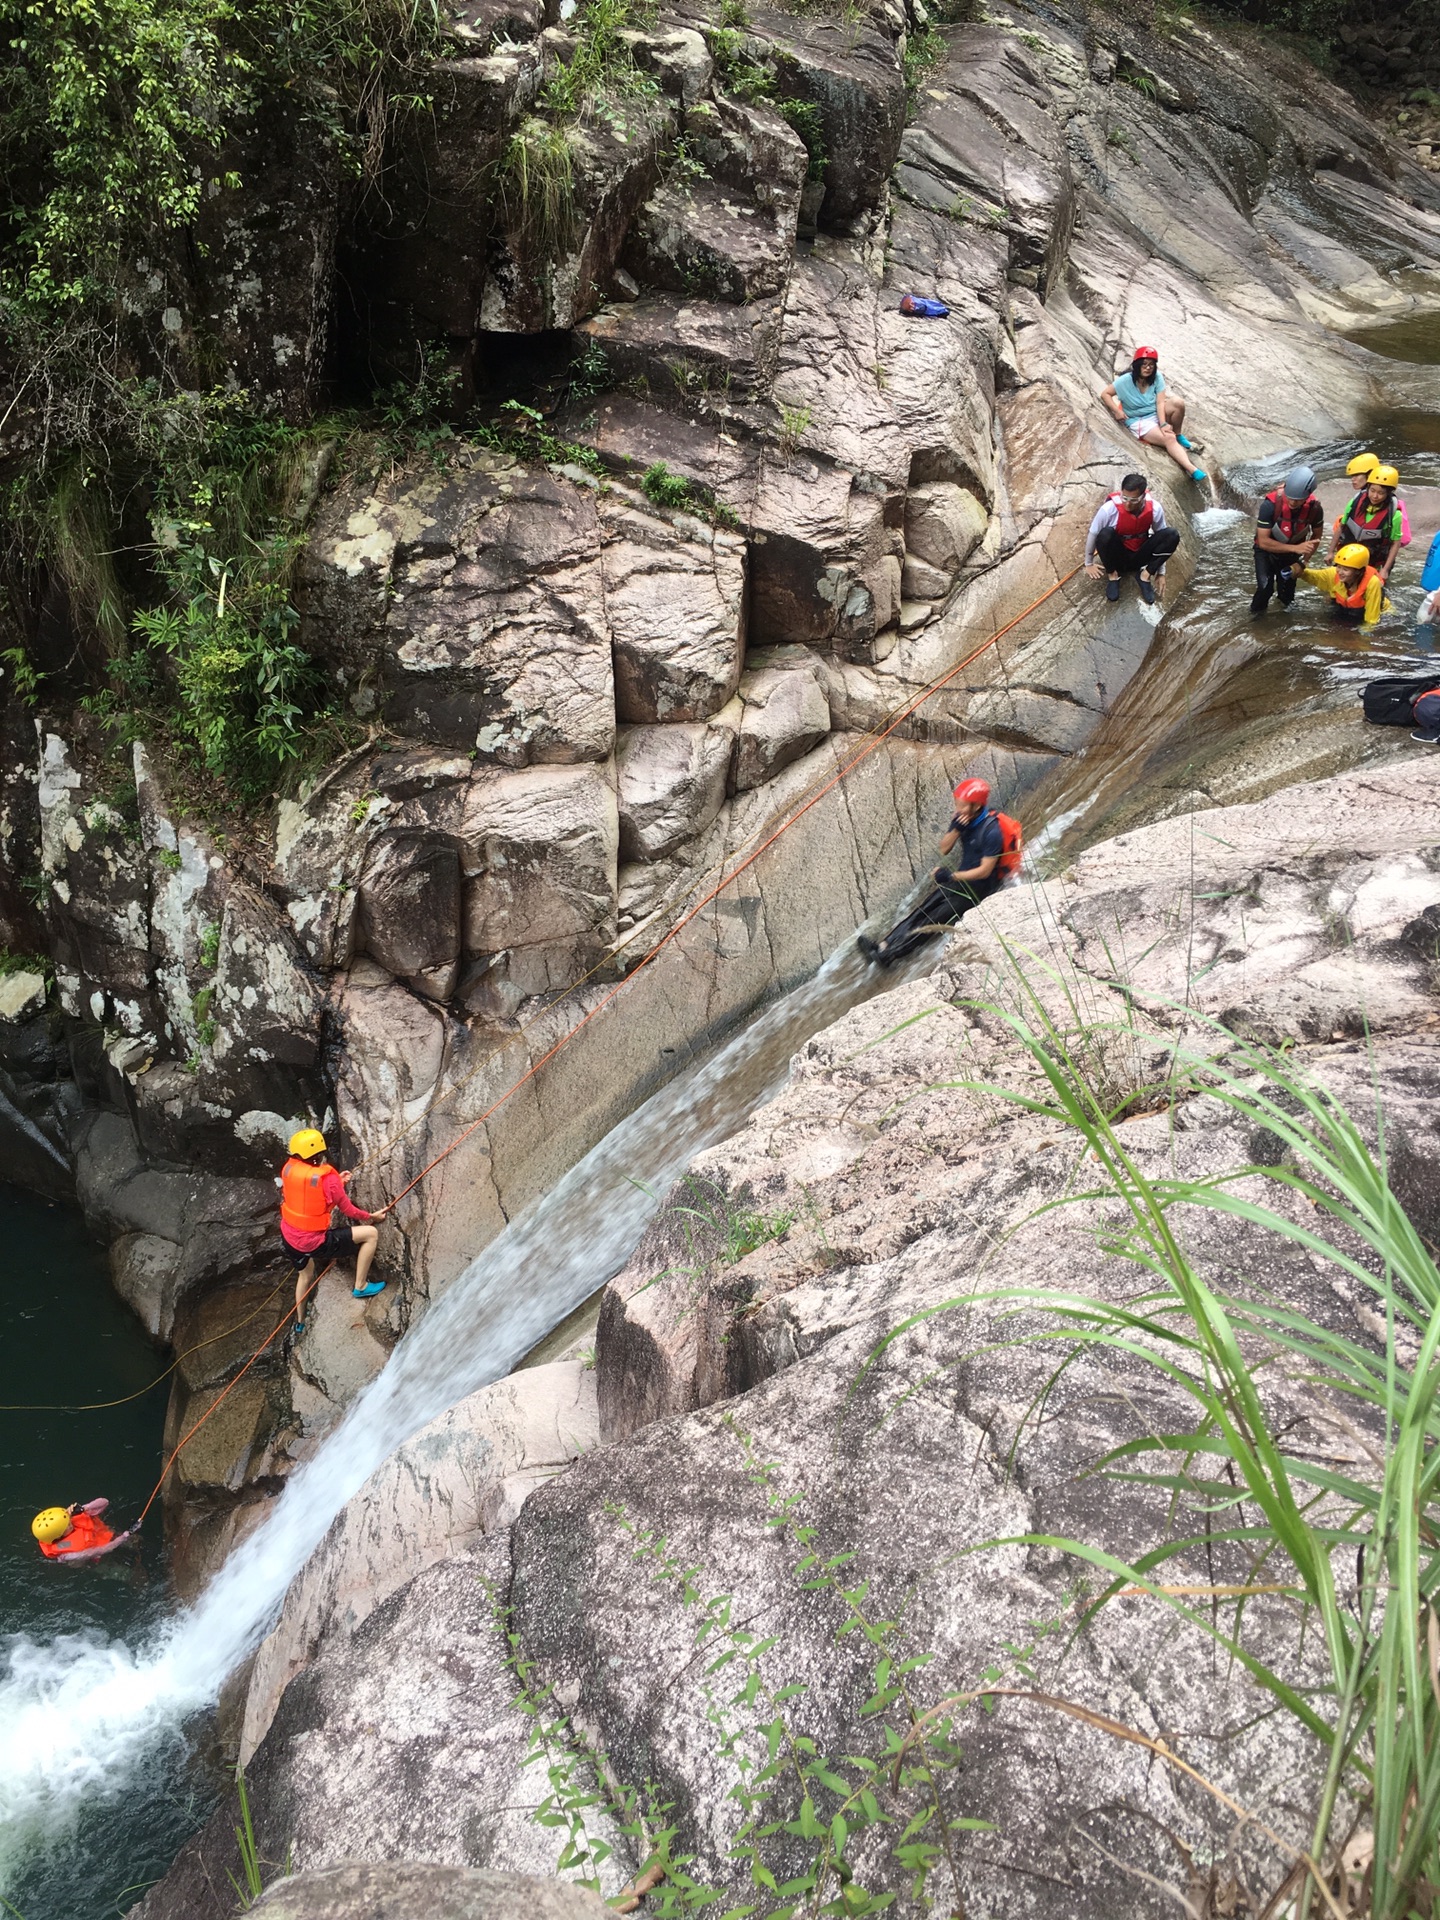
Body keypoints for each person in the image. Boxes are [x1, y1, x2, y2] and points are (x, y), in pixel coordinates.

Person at [858, 778, 1008, 965]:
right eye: (957, 804)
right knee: (921, 911)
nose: (957, 809)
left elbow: (985, 871)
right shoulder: (962, 820)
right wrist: (956, 830)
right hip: (958, 880)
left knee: (933, 921)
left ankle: (890, 955)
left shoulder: (991, 831)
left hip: (976, 890)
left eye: (961, 805)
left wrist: (950, 875)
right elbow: (944, 848)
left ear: (976, 806)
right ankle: (883, 945)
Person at [280, 1128, 388, 1329]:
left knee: (305, 1275)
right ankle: (361, 1286)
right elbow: (349, 1210)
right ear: (321, 1152)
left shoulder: (289, 1170)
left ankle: (300, 1322)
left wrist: (337, 1181)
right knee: (371, 1234)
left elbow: (308, 1194)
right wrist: (372, 1217)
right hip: (314, 1242)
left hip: (289, 1236)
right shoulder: (327, 1180)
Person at [1100, 347, 1208, 483]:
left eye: (1151, 365)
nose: (1148, 368)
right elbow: (1105, 394)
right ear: (1137, 365)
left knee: (1178, 403)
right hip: (1138, 420)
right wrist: (1117, 411)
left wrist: (1163, 423)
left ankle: (1179, 435)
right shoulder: (1125, 380)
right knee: (1168, 438)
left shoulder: (1157, 377)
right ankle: (1192, 469)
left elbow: (1160, 403)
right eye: (1144, 364)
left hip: (1155, 413)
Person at [1084, 473, 1182, 605]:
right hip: (1118, 556)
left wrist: (1161, 572)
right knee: (1105, 534)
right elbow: (1093, 533)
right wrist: (1088, 563)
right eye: (1124, 498)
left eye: (1134, 500)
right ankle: (1113, 576)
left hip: (1140, 555)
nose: (1128, 504)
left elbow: (1163, 537)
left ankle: (1145, 576)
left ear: (1143, 496)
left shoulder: (1155, 508)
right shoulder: (1109, 509)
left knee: (1172, 534)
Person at [1250, 464, 1323, 614]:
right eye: (1290, 497)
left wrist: (1303, 562)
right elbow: (1263, 542)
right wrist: (1296, 549)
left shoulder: (1315, 509)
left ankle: (1285, 624)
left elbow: (1316, 537)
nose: (1292, 502)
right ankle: (1255, 619)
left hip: (1291, 555)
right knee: (1265, 588)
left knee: (1287, 597)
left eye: (1298, 499)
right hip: (1266, 552)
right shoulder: (1270, 505)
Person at [1328, 464, 1410, 583]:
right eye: (1372, 490)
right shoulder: (1354, 502)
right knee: (1336, 591)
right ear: (1368, 487)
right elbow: (1341, 527)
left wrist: (1385, 570)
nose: (1375, 496)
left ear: (1389, 493)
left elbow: (1395, 544)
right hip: (1348, 558)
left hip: (1373, 560)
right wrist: (1330, 552)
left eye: (1381, 493)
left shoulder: (1394, 515)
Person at [1299, 543, 1392, 626]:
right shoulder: (1334, 573)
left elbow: (1372, 618)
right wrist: (1296, 570)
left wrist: (1365, 633)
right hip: (1347, 608)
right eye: (1339, 567)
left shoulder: (1372, 583)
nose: (1340, 572)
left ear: (1358, 571)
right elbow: (1314, 576)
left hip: (1375, 612)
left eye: (1346, 570)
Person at [32, 1499, 131, 1563]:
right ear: (58, 1536)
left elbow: (105, 1502)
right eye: (66, 1525)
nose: (70, 1522)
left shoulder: (72, 1517)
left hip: (108, 1535)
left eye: (68, 1521)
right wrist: (121, 1539)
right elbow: (101, 1550)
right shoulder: (69, 1555)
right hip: (102, 1555)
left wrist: (85, 1508)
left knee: (136, 1540)